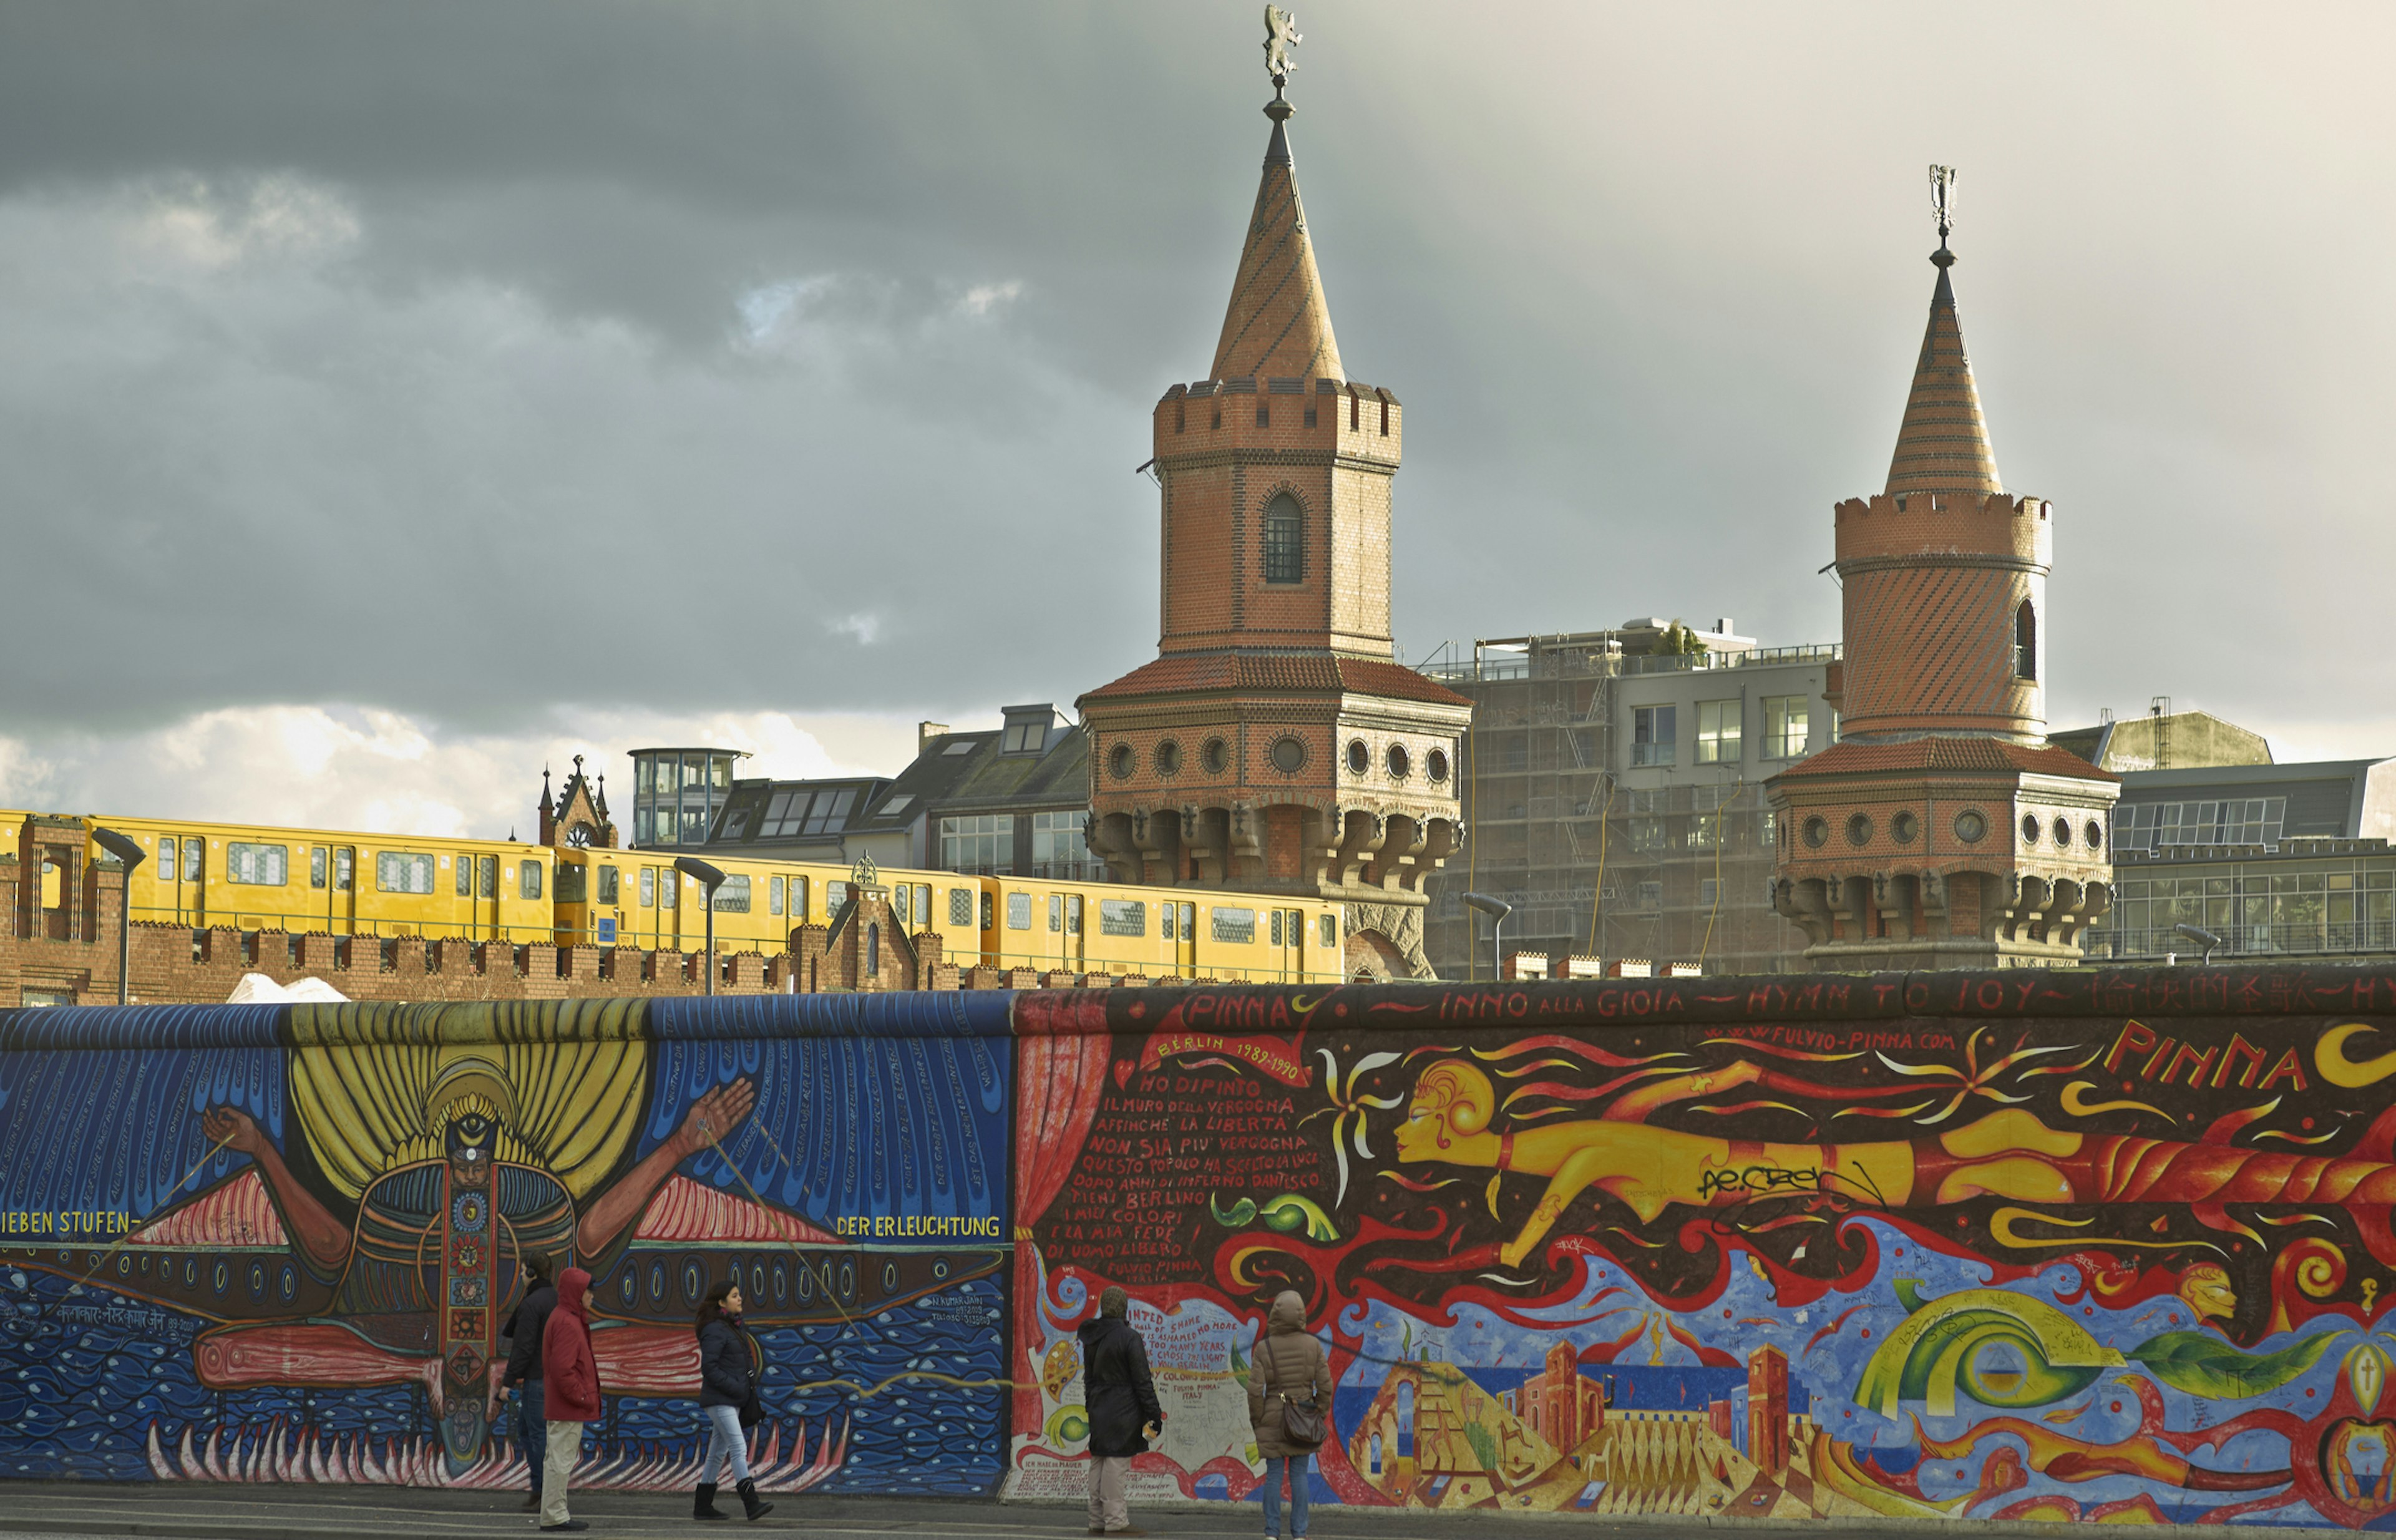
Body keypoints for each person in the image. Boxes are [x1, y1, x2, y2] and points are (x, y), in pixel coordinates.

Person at [1077, 1285, 1163, 1538]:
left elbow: (1089, 1379)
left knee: (1099, 1461)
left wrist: (1092, 1404)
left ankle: (1097, 1521)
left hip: (1099, 1408)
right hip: (1123, 1411)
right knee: (1115, 1464)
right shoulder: (1129, 1337)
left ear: (1104, 1306)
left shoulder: (1092, 1337)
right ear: (1123, 1307)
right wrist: (1154, 1414)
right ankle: (1116, 1523)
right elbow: (1142, 1381)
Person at [1247, 1290, 1331, 1540]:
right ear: (1301, 1316)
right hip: (1302, 1418)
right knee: (1300, 1475)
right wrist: (1318, 1412)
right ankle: (1300, 1533)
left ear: (1275, 1315)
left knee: (1273, 1475)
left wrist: (1258, 1419)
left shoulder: (1264, 1347)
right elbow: (1326, 1386)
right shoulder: (1313, 1346)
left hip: (1272, 1417)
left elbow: (1254, 1389)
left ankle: (1272, 1533)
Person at [693, 1280, 774, 1522]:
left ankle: (703, 1506)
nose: (740, 1299)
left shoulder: (734, 1327)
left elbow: (743, 1360)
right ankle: (751, 1503)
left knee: (717, 1452)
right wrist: (736, 1386)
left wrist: (749, 1382)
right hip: (720, 1399)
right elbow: (709, 1368)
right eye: (735, 1295)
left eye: (740, 1295)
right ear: (721, 1302)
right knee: (738, 1447)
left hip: (731, 1398)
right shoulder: (714, 1329)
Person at [538, 1265, 601, 1533]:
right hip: (569, 1408)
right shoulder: (567, 1322)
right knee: (560, 1462)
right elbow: (563, 1370)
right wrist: (584, 1397)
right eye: (589, 1291)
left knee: (557, 1460)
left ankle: (555, 1513)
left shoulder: (567, 1318)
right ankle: (554, 1516)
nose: (592, 1296)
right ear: (577, 1292)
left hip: (566, 1407)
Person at [497, 1254, 559, 1513]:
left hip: (536, 1380)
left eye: (523, 1271)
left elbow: (522, 1348)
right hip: (552, 1379)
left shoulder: (532, 1304)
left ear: (532, 1273)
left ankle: (544, 1491)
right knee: (529, 1431)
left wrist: (506, 1383)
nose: (521, 1275)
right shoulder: (556, 1300)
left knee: (536, 1436)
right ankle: (542, 1488)